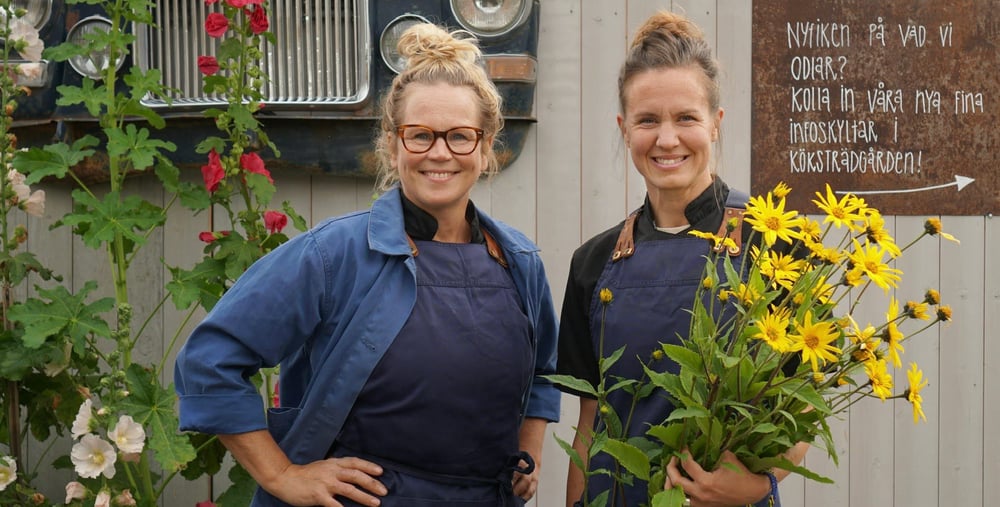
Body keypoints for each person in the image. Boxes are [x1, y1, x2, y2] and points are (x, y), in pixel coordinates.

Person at [174, 22, 560, 507]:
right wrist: (283, 475)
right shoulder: (334, 255)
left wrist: (530, 450)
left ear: (485, 149)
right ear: (393, 146)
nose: (440, 152)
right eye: (420, 135)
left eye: (461, 136)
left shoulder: (519, 263)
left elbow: (544, 370)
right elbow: (209, 360)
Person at [556, 10, 808, 507]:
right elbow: (589, 423)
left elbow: (800, 409)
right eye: (648, 120)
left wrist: (757, 485)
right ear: (624, 128)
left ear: (715, 124)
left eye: (686, 118)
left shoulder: (776, 245)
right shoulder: (593, 263)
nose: (666, 139)